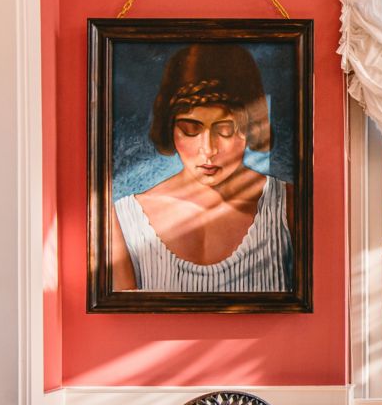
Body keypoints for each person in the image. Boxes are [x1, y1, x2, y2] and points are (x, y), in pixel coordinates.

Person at [110, 43, 293, 292]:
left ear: (251, 126)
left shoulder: (288, 205)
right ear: (169, 127)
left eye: (225, 129)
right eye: (190, 129)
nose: (208, 149)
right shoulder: (125, 219)